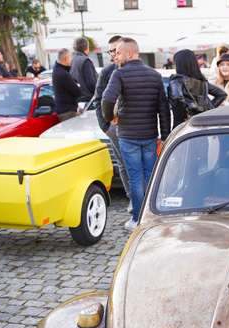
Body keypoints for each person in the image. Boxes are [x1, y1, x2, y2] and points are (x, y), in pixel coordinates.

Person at [102, 37, 171, 232]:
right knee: (150, 176)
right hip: (150, 134)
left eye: (119, 53)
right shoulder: (155, 76)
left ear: (129, 54)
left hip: (128, 135)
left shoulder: (120, 74)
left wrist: (111, 117)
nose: (116, 57)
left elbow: (107, 99)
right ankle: (152, 215)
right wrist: (165, 134)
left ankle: (137, 220)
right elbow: (163, 108)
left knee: (135, 177)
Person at [94, 36, 132, 212]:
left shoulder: (133, 68)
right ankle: (132, 197)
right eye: (110, 51)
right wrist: (106, 127)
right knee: (123, 163)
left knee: (138, 163)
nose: (113, 54)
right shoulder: (107, 72)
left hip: (134, 124)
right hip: (115, 127)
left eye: (115, 50)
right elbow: (98, 100)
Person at [168, 49, 226, 128]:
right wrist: (207, 110)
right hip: (202, 124)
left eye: (175, 63)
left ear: (179, 64)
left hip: (183, 125)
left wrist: (187, 115)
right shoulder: (202, 82)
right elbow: (221, 94)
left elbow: (177, 97)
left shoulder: (177, 80)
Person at [52, 48, 81, 122]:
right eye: (71, 57)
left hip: (62, 109)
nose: (71, 60)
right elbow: (78, 92)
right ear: (67, 58)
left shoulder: (56, 70)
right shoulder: (63, 74)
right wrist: (78, 85)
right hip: (68, 111)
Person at [71, 37, 98, 104]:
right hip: (87, 100)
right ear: (86, 47)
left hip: (76, 99)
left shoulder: (72, 60)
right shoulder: (85, 61)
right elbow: (91, 83)